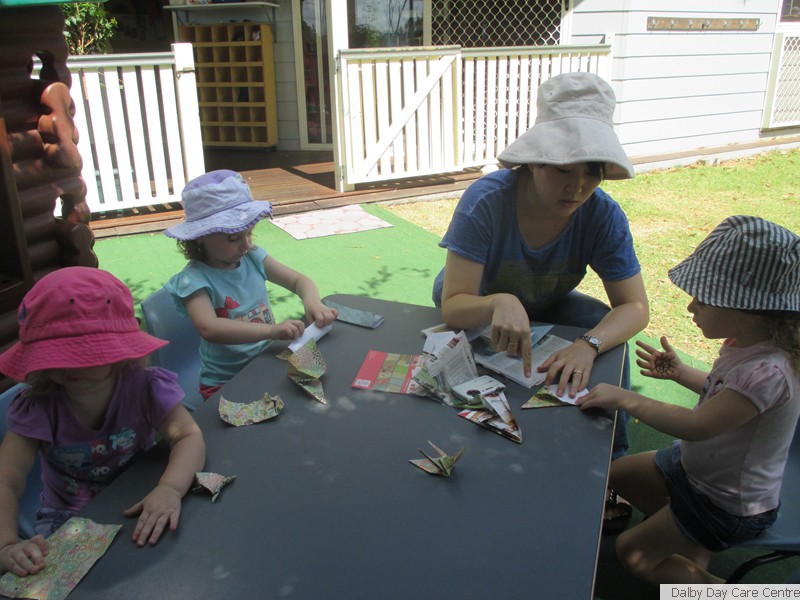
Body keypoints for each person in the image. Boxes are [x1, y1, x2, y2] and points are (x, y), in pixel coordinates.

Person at [432, 72, 649, 464]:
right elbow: (454, 304)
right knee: (464, 341)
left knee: (601, 325)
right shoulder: (486, 201)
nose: (577, 187)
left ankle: (612, 462)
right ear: (533, 162)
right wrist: (500, 301)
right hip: (480, 295)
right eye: (564, 168)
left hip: (551, 300)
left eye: (593, 171)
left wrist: (588, 345)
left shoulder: (603, 215)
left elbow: (634, 307)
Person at [577, 215, 800, 584]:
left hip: (725, 503)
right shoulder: (748, 343)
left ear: (746, 310)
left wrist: (627, 399)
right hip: (696, 468)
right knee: (617, 475)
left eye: (703, 299)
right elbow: (727, 395)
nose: (691, 307)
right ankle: (690, 540)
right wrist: (681, 373)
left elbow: (698, 426)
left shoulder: (769, 372)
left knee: (632, 555)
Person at [0, 267, 206, 577]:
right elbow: (7, 478)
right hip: (66, 517)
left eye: (81, 352)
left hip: (142, 493)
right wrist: (5, 544)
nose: (66, 363)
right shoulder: (37, 406)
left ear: (120, 350)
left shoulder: (145, 387)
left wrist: (171, 488)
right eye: (54, 352)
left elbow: (188, 436)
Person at [164, 170, 337, 400]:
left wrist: (313, 302)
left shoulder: (252, 257)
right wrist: (272, 331)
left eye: (249, 234)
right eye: (233, 238)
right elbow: (209, 328)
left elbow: (299, 281)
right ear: (200, 236)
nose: (245, 245)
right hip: (225, 382)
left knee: (320, 387)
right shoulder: (194, 280)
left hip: (266, 361)